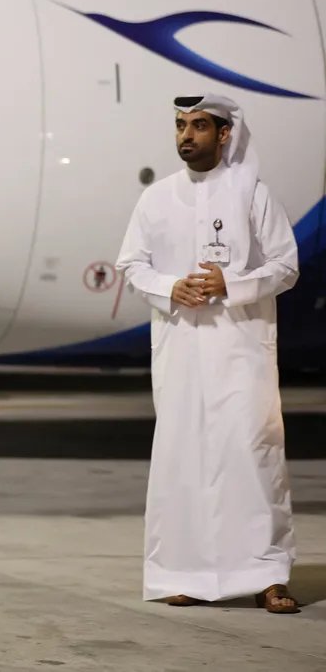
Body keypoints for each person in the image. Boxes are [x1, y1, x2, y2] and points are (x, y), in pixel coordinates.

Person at [116, 93, 300, 614]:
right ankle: (183, 574)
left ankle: (268, 576)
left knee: (253, 454)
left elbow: (286, 266)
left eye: (199, 125)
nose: (186, 136)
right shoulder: (157, 198)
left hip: (241, 349)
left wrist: (232, 283)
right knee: (183, 458)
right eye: (180, 125)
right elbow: (132, 265)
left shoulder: (253, 194)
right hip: (181, 351)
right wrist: (170, 286)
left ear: (224, 134)